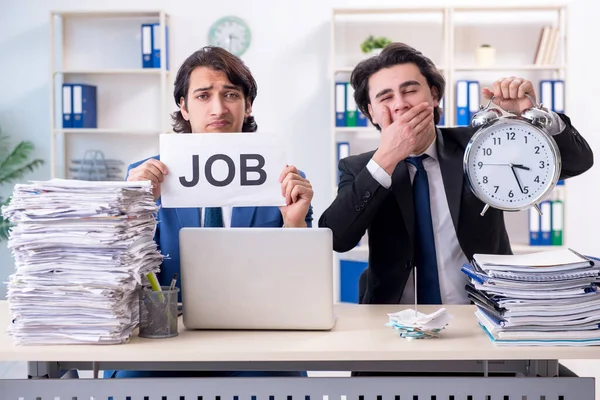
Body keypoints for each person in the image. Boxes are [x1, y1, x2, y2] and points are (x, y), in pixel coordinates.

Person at [319, 42, 593, 306]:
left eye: (410, 90)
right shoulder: (358, 169)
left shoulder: (481, 145)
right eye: (386, 97)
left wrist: (532, 114)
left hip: (484, 312)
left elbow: (577, 162)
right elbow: (338, 238)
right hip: (392, 320)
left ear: (434, 96)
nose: (400, 104)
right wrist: (388, 156)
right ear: (372, 113)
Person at [105, 46, 313, 379]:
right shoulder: (143, 178)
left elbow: (303, 286)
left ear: (248, 107)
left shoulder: (282, 180)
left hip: (259, 339)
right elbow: (114, 278)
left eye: (230, 94)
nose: (218, 108)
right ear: (184, 108)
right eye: (203, 95)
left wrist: (295, 223)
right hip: (165, 337)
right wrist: (133, 207)